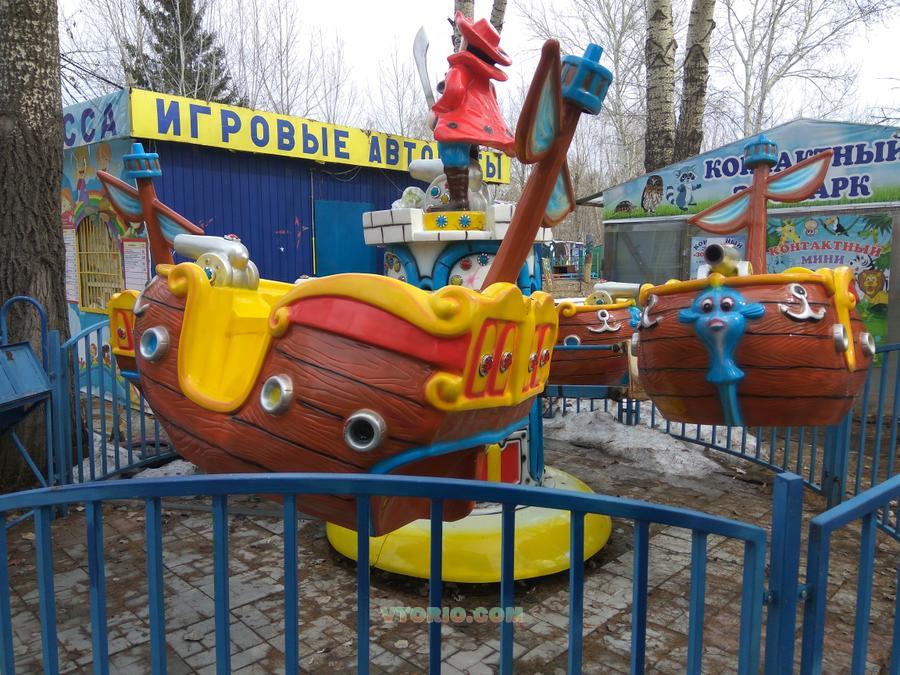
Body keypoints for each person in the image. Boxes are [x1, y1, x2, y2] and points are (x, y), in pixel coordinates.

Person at [431, 11, 515, 211]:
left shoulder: (459, 71)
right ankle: (469, 190)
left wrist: (438, 110)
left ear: (468, 44)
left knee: (450, 149)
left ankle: (458, 200)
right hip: (475, 127)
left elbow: (455, 91)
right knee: (469, 150)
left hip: (458, 124)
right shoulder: (486, 83)